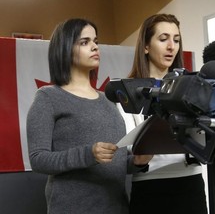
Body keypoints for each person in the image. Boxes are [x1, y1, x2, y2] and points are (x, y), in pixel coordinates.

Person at [26, 18, 151, 214]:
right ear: (65, 49)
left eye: (96, 41)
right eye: (85, 42)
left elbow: (113, 160)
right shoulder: (48, 97)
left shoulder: (109, 100)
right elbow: (38, 159)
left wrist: (136, 162)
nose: (94, 47)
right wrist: (88, 154)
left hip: (116, 207)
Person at [121, 14, 208, 214]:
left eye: (176, 40)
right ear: (146, 46)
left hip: (190, 183)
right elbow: (126, 152)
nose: (171, 46)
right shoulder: (128, 90)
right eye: (163, 39)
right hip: (149, 187)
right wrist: (138, 158)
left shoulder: (192, 86)